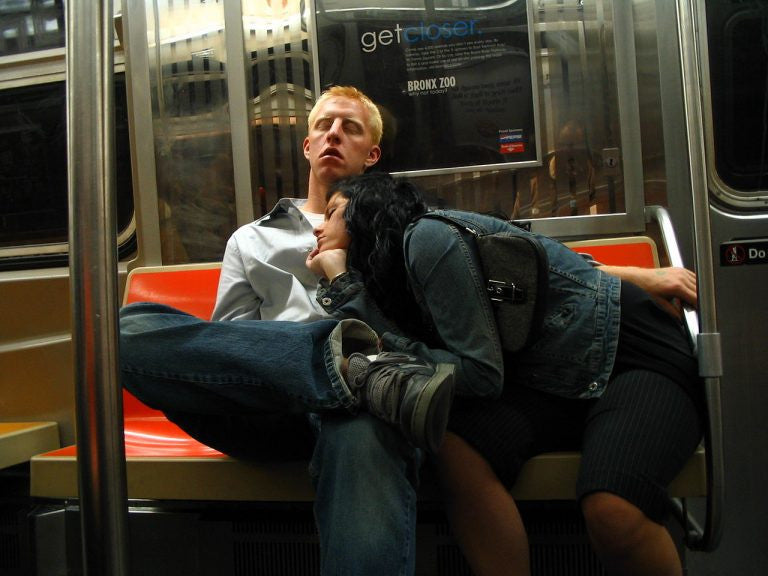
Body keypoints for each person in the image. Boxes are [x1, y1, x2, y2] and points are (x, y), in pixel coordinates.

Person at [120, 86, 456, 576]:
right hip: (270, 405)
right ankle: (344, 369)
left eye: (350, 128)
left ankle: (352, 379)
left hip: (362, 413)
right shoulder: (252, 239)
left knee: (365, 431)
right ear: (307, 146)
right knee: (125, 333)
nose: (333, 135)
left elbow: (412, 336)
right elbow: (230, 346)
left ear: (372, 155)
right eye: (323, 126)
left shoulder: (399, 230)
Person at [306, 172, 703, 576]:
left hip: (629, 354)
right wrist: (344, 284)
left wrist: (343, 284)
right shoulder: (385, 278)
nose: (318, 228)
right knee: (455, 447)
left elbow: (479, 374)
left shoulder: (426, 238)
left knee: (613, 511)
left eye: (333, 212)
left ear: (365, 211)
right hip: (546, 380)